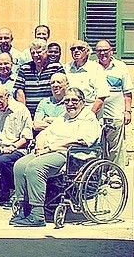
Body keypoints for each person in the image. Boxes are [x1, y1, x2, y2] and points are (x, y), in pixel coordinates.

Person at [11, 87, 101, 227]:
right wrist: (40, 145)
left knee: (35, 168)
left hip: (70, 155)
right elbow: (44, 133)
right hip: (48, 151)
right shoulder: (63, 117)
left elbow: (81, 140)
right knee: (20, 165)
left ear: (82, 102)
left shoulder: (88, 118)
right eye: (67, 101)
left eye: (74, 100)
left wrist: (51, 147)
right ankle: (24, 208)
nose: (70, 104)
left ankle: (37, 215)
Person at [0, 85, 33, 205]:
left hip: (18, 147)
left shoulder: (21, 109)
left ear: (7, 96)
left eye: (0, 98)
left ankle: (9, 190)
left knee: (4, 160)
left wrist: (13, 147)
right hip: (0, 146)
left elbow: (27, 137)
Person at [95, 40, 133, 167]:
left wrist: (128, 111)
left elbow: (127, 92)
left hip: (115, 114)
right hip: (97, 115)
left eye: (105, 50)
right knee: (98, 146)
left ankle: (115, 173)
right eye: (99, 51)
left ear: (111, 51)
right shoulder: (93, 67)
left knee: (116, 148)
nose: (102, 53)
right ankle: (101, 172)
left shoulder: (120, 66)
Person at [14, 39, 65, 117]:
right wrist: (24, 113)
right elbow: (19, 91)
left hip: (49, 114)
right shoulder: (24, 68)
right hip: (29, 114)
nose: (35, 55)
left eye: (39, 52)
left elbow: (62, 89)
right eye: (33, 53)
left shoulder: (56, 67)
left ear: (46, 52)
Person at [64, 40, 109, 116]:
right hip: (70, 113)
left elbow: (101, 97)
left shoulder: (96, 68)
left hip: (90, 113)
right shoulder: (66, 68)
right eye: (73, 49)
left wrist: (89, 115)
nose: (76, 51)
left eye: (80, 48)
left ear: (87, 51)